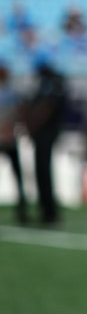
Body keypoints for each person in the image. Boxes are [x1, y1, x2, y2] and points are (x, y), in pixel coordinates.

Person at [23, 53, 67, 226]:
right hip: (43, 133)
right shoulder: (51, 82)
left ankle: (49, 211)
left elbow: (45, 109)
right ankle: (46, 209)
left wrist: (31, 126)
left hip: (46, 133)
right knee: (42, 172)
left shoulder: (52, 84)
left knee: (44, 172)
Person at [0, 60, 28, 224]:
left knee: (17, 174)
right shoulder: (10, 91)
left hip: (9, 137)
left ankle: (21, 209)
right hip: (6, 136)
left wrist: (11, 127)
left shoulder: (12, 91)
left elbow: (19, 112)